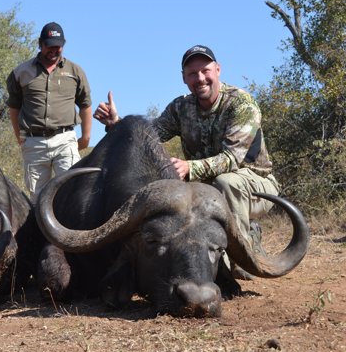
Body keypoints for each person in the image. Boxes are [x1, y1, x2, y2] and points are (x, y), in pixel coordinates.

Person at [93, 45, 280, 277]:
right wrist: (117, 124)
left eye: (205, 70)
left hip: (256, 186)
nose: (200, 78)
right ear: (184, 78)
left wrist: (189, 167)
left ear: (218, 70)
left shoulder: (241, 104)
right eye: (192, 73)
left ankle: (235, 263)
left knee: (226, 182)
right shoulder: (180, 107)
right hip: (207, 187)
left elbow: (232, 159)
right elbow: (147, 138)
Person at [6, 22, 92, 197]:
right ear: (40, 44)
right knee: (38, 198)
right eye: (49, 46)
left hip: (65, 140)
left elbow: (85, 104)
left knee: (70, 192)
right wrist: (19, 136)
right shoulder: (21, 72)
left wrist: (86, 137)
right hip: (34, 142)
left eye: (58, 47)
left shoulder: (75, 72)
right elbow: (14, 107)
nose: (53, 50)